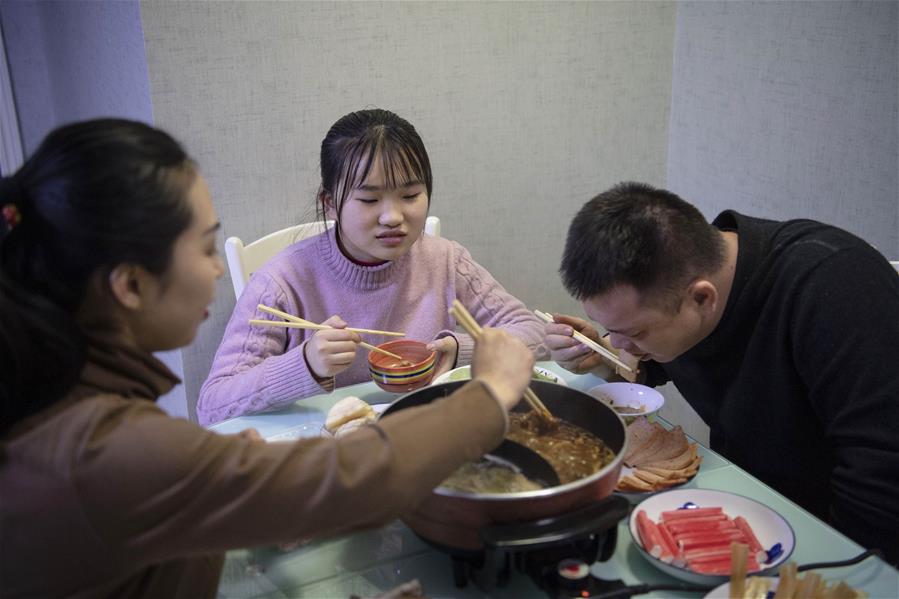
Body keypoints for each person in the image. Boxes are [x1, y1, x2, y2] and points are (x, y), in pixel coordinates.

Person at [0, 118, 537, 598]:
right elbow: (349, 481)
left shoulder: (59, 394)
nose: (217, 270)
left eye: (409, 193)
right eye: (206, 247)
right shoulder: (108, 452)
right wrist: (486, 397)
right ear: (132, 285)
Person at [545, 181, 899, 564]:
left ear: (702, 298)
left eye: (633, 333)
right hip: (749, 500)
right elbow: (656, 361)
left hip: (831, 536)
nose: (617, 343)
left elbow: (883, 473)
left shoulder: (834, 288)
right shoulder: (686, 278)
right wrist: (599, 356)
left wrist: (833, 571)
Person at [198, 108, 547, 425]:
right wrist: (305, 364)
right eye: (369, 199)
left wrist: (461, 350)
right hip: (328, 460)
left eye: (410, 196)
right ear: (330, 203)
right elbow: (213, 406)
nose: (394, 217)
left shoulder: (446, 260)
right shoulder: (280, 283)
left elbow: (535, 333)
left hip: (426, 442)